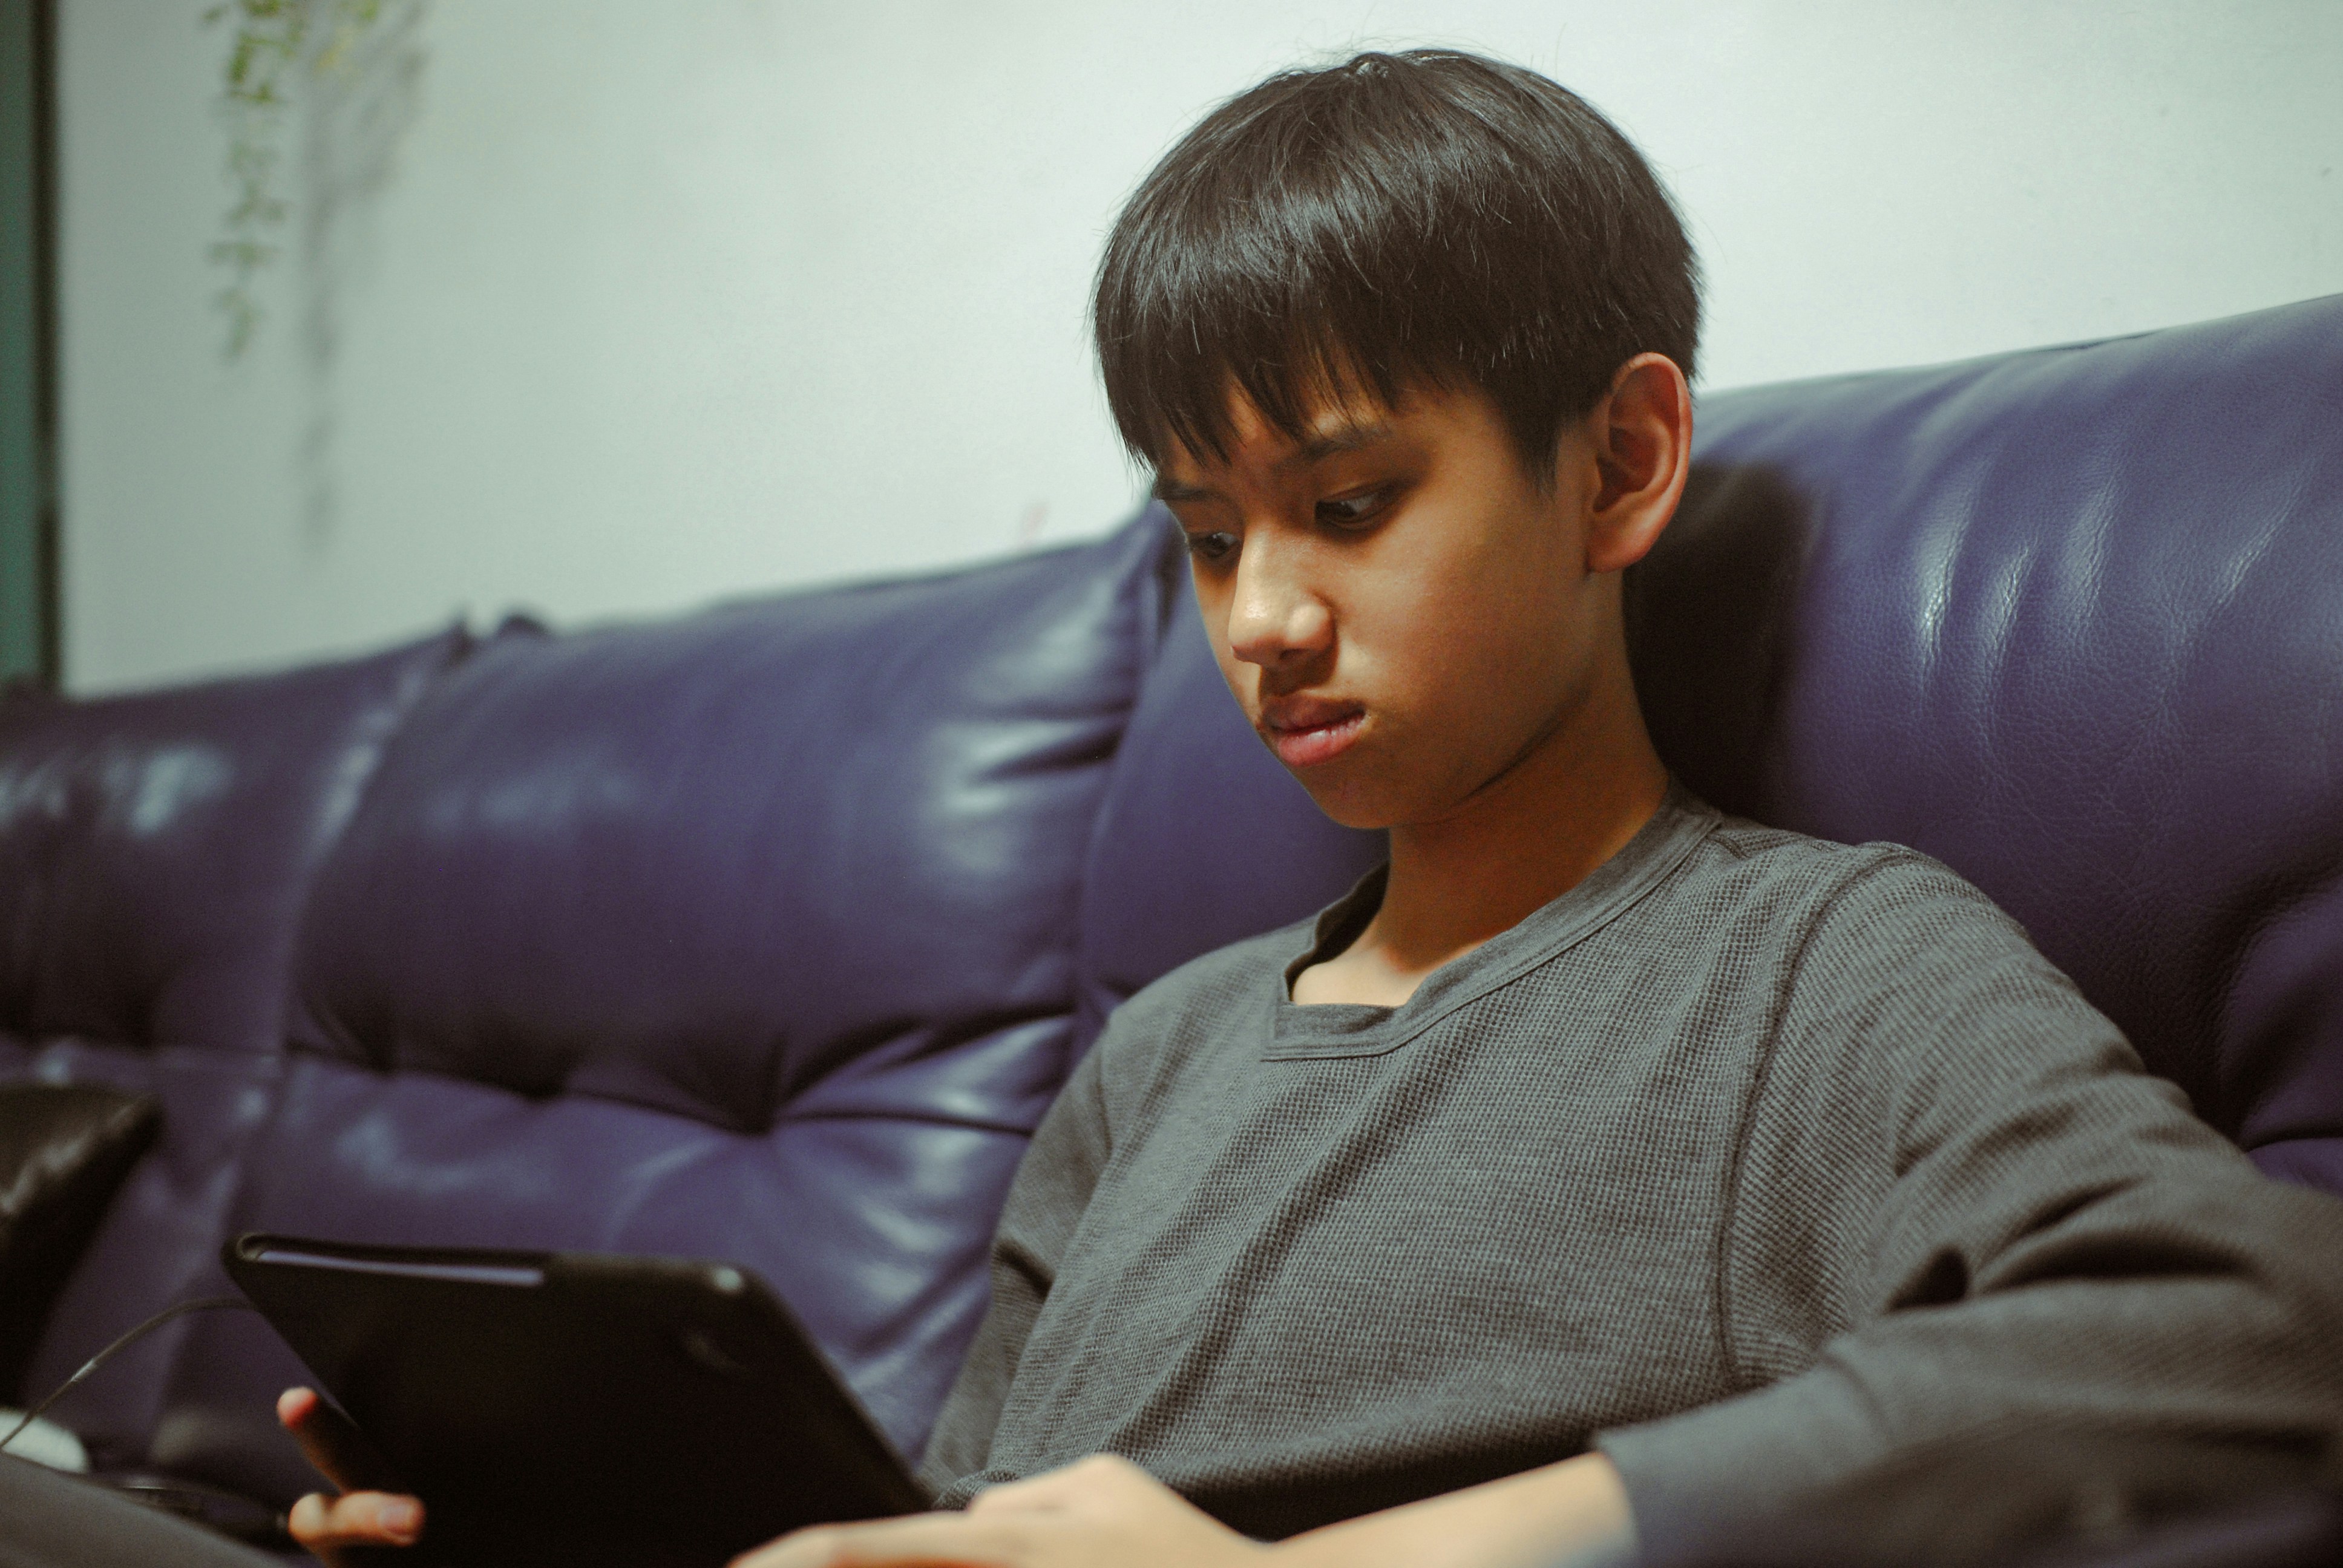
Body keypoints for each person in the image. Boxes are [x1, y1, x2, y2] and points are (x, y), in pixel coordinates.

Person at [281, 48, 2343, 1568]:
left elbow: (2256, 1347)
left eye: (1352, 507)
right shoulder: (1155, 1056)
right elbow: (964, 1524)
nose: (1261, 618)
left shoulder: (1816, 970)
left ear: (1621, 465)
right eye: (1203, 534)